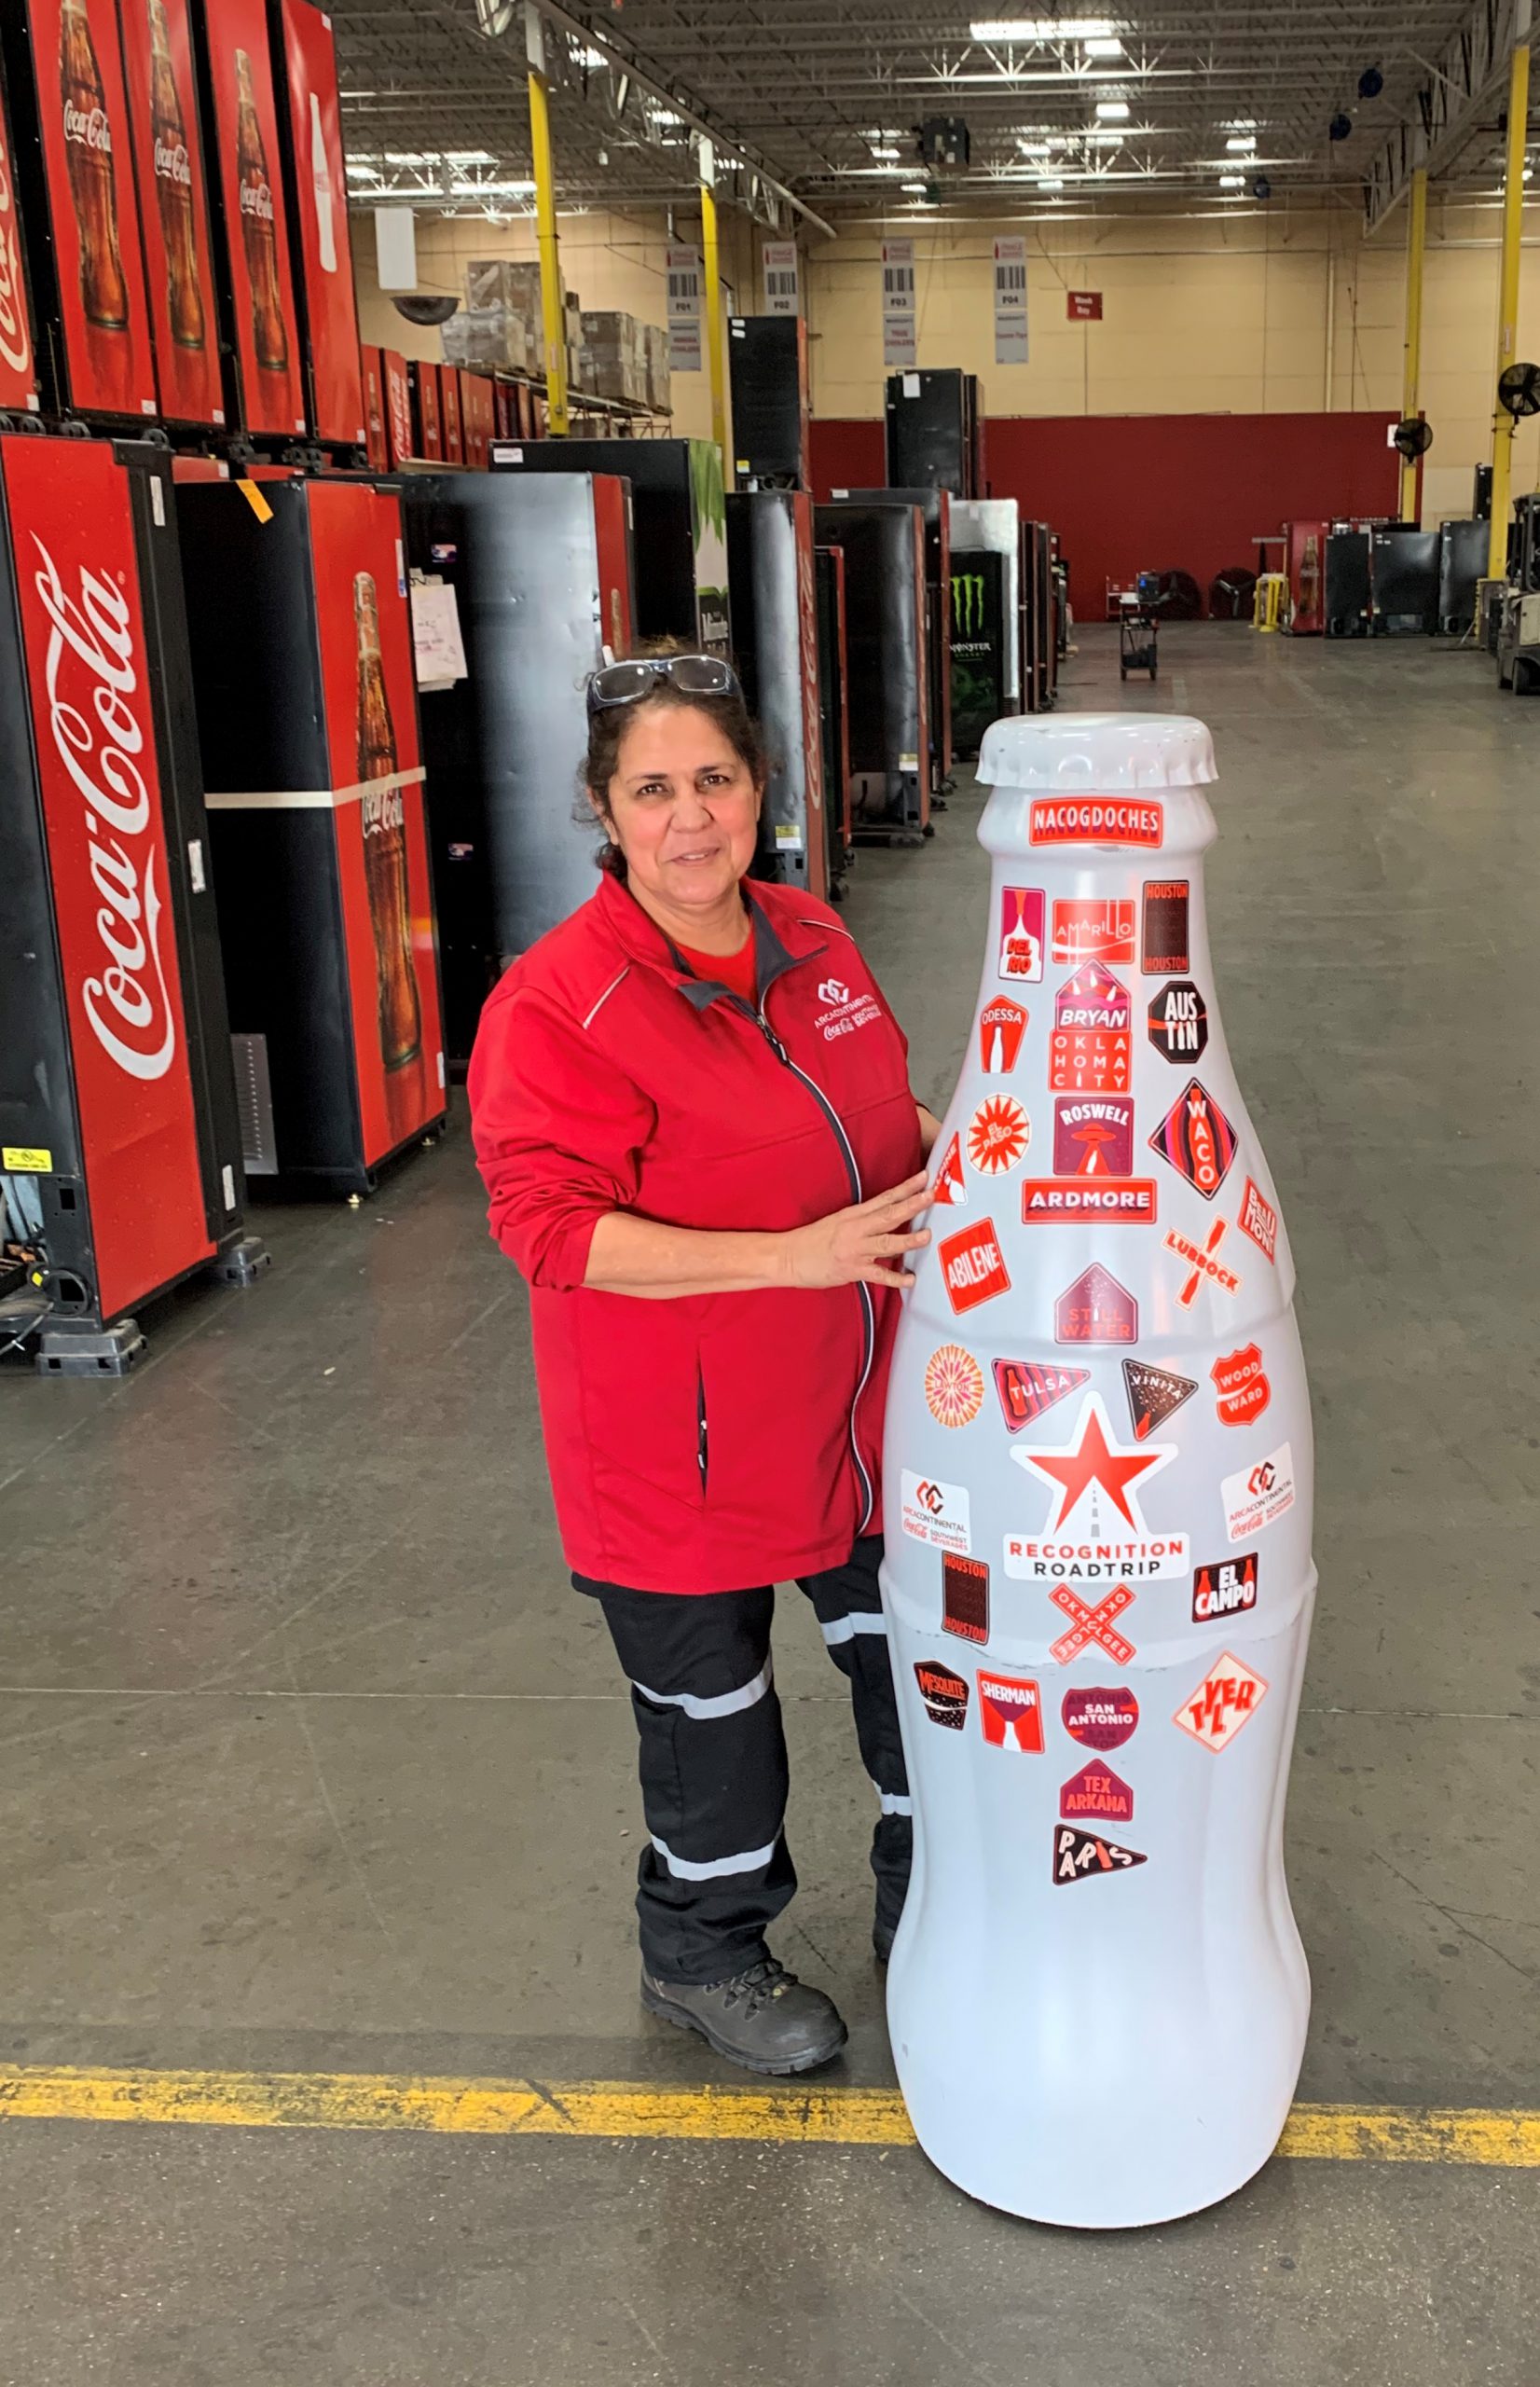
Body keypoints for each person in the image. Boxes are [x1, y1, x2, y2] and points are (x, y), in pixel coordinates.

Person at [468, 651, 940, 2077]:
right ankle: (704, 1952)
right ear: (603, 809)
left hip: (862, 1421)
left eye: (716, 780)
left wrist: (983, 1144)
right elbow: (550, 1231)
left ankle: (936, 1908)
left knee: (919, 1683)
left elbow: (876, 1119)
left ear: (759, 787)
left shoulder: (813, 937)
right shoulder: (558, 1003)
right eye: (653, 789)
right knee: (714, 1723)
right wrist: (797, 1256)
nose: (690, 819)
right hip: (681, 1455)